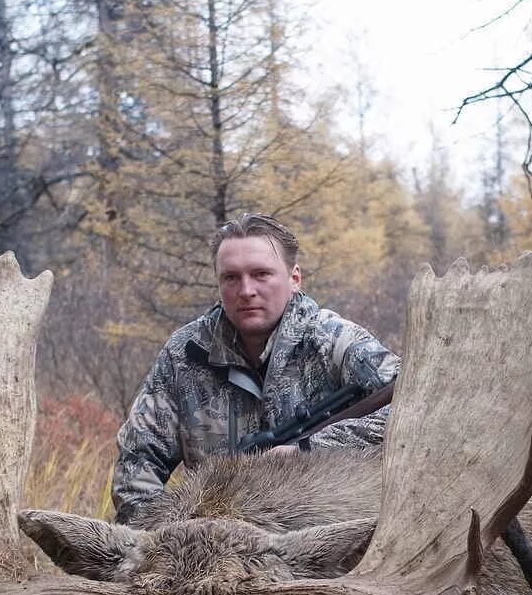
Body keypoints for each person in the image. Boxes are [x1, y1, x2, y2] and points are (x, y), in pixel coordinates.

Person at [112, 212, 400, 525]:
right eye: (231, 277)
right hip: (215, 542)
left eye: (261, 274)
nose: (246, 290)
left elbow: (411, 412)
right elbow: (137, 460)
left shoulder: (335, 340)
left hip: (327, 537)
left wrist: (309, 450)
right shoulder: (185, 352)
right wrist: (155, 539)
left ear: (294, 278)